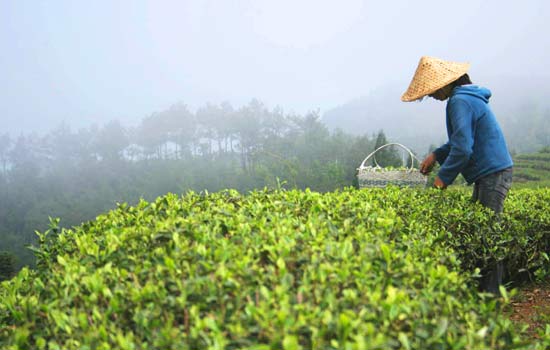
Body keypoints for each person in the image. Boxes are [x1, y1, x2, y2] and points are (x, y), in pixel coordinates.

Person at [401, 56, 513, 295]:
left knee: (488, 234)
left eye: (432, 91)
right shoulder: (466, 96)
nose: (431, 96)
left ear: (443, 84)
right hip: (492, 172)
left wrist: (442, 179)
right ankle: (485, 290)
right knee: (480, 228)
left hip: (493, 172)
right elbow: (460, 141)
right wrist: (436, 155)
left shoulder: (458, 101)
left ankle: (491, 296)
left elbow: (463, 148)